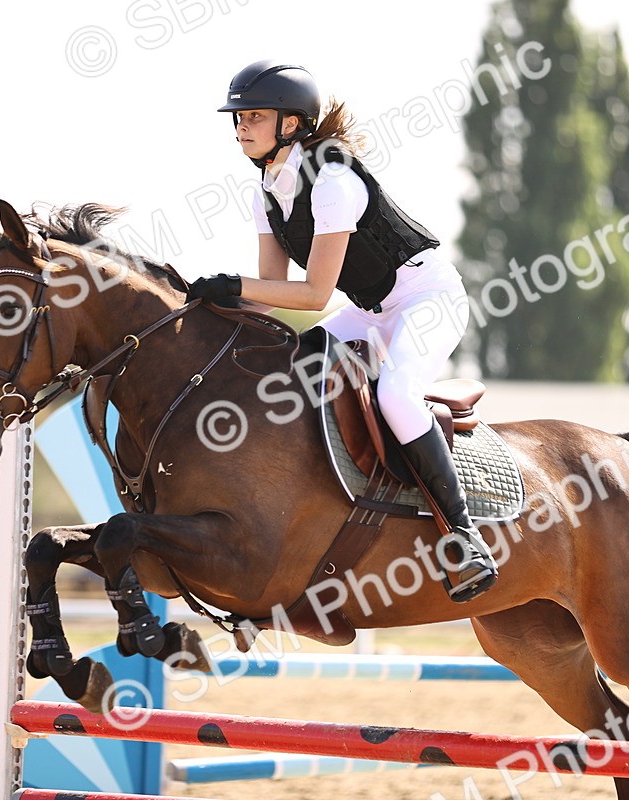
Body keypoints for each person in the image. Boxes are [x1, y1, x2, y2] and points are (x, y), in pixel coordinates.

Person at [188, 60, 497, 602]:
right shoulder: (266, 188)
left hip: (427, 298)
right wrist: (214, 320)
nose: (241, 126)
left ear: (291, 124)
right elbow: (269, 293)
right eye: (237, 117)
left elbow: (312, 295)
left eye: (254, 116)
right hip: (370, 308)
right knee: (296, 366)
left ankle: (464, 536)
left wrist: (234, 284)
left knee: (397, 394)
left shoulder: (332, 180)